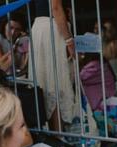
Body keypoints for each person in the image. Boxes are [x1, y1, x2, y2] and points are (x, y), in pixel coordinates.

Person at [30, 0, 76, 130]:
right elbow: (55, 7)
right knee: (55, 83)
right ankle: (58, 133)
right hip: (52, 27)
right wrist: (69, 40)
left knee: (46, 83)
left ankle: (53, 132)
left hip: (41, 27)